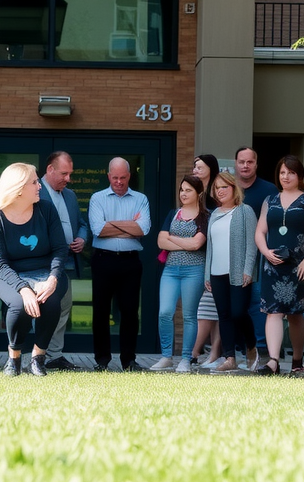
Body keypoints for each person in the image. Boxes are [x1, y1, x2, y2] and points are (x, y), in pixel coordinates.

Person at [0, 163, 69, 377]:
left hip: (47, 272)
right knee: (20, 305)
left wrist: (52, 279)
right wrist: (23, 288)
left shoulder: (46, 209)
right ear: (19, 188)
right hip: (10, 274)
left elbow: (60, 249)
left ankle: (38, 358)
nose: (40, 186)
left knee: (50, 303)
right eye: (34, 182)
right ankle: (14, 358)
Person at [253, 156, 304, 375]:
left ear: (299, 175)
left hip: (298, 266)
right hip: (272, 265)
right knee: (273, 312)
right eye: (282, 173)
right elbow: (260, 231)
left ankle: (297, 359)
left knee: (295, 314)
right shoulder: (270, 200)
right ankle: (273, 361)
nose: (286, 177)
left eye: (291, 173)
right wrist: (265, 252)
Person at [88, 157, 152, 372]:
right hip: (103, 260)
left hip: (130, 262)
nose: (119, 182)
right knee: (100, 311)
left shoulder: (140, 198)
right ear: (108, 176)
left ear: (129, 176)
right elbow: (98, 229)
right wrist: (129, 225)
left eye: (123, 177)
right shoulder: (97, 198)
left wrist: (112, 224)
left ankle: (129, 361)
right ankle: (102, 360)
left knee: (130, 312)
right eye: (114, 177)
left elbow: (143, 229)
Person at [151, 175, 208, 373]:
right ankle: (166, 356)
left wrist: (173, 239)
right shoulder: (173, 213)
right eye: (182, 189)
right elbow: (160, 241)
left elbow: (196, 244)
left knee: (189, 315)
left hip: (194, 270)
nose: (183, 193)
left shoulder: (205, 216)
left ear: (198, 193)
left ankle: (186, 359)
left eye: (188, 190)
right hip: (171, 270)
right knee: (165, 312)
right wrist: (184, 242)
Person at [204, 172, 259, 373]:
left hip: (238, 272)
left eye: (224, 187)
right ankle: (229, 358)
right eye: (217, 188)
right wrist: (206, 274)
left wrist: (248, 269)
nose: (220, 191)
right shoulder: (214, 214)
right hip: (216, 272)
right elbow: (210, 246)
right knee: (224, 315)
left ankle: (251, 345)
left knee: (238, 312)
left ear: (234, 188)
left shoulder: (245, 211)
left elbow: (252, 244)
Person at [40, 151, 88, 370]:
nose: (68, 178)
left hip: (67, 263)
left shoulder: (70, 195)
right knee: (42, 310)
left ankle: (54, 354)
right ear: (50, 170)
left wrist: (81, 238)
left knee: (63, 308)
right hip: (42, 264)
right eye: (64, 173)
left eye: (70, 174)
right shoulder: (34, 192)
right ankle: (38, 353)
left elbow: (82, 223)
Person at [236, 146, 278, 359]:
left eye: (249, 162)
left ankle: (261, 349)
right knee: (236, 305)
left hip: (261, 255)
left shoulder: (269, 190)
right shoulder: (229, 189)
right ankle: (241, 348)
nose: (245, 165)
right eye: (241, 161)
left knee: (257, 302)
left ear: (256, 164)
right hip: (234, 255)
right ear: (236, 163)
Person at [190, 154, 222, 366]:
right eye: (194, 167)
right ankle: (208, 353)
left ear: (211, 169)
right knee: (208, 308)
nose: (195, 171)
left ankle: (204, 353)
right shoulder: (194, 193)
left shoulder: (216, 196)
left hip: (216, 257)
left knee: (212, 307)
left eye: (199, 167)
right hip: (197, 257)